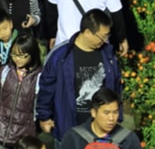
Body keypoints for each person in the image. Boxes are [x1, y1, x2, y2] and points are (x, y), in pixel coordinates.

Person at [36, 10, 122, 141]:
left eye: (107, 36)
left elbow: (116, 87)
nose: (104, 40)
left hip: (101, 131)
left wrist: (117, 116)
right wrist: (44, 116)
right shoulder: (60, 56)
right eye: (102, 37)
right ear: (87, 32)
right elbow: (47, 87)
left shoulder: (108, 55)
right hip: (69, 129)